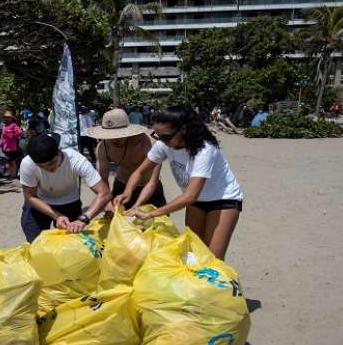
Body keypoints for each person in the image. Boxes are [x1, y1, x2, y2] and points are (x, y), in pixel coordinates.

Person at [114, 105, 243, 260]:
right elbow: (140, 171)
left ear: (183, 129)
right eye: (158, 136)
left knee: (212, 260)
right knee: (193, 253)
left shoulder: (204, 150)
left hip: (224, 200)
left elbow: (190, 196)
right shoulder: (164, 144)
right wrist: (128, 192)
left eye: (166, 136)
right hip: (198, 201)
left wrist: (150, 214)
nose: (162, 141)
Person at [19, 134, 112, 242]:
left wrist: (84, 218)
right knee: (35, 242)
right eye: (43, 166)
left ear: (59, 151)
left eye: (52, 163)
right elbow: (30, 197)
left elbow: (105, 193)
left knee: (71, 243)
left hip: (69, 202)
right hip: (40, 203)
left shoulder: (76, 160)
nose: (50, 169)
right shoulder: (27, 164)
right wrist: (56, 215)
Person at [88, 108, 166, 212]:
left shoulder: (147, 142)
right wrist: (108, 202)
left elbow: (153, 181)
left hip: (149, 187)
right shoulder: (103, 147)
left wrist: (137, 205)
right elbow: (103, 179)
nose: (114, 139)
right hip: (122, 185)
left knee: (157, 223)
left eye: (118, 135)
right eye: (110, 136)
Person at [0, 111, 23, 179]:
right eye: (6, 118)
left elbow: (20, 132)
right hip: (5, 147)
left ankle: (13, 175)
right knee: (7, 161)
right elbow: (2, 136)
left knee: (12, 161)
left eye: (8, 118)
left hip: (12, 147)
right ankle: (11, 175)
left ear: (11, 118)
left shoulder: (13, 125)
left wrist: (13, 136)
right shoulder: (4, 126)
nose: (6, 119)